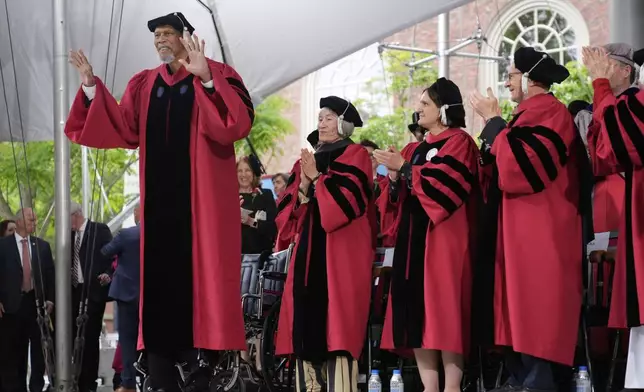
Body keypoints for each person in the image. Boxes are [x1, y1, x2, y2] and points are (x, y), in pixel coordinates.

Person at [66, 12, 253, 391]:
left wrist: (207, 80)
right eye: (157, 36)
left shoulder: (218, 74)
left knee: (201, 276)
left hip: (200, 210)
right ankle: (160, 361)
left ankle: (203, 357)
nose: (160, 41)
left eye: (167, 34)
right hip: (160, 212)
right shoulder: (145, 84)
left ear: (186, 37)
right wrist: (90, 89)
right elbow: (123, 127)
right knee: (162, 284)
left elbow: (235, 124)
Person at [469, 47, 588, 391]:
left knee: (538, 311)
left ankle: (536, 382)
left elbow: (521, 170)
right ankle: (521, 379)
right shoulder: (523, 116)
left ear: (531, 77)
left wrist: (494, 124)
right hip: (517, 231)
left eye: (511, 75)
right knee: (513, 312)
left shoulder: (551, 112)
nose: (506, 83)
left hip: (542, 231)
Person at [374, 78, 478, 392]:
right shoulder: (415, 149)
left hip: (443, 238)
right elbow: (395, 198)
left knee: (445, 311)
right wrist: (394, 178)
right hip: (412, 239)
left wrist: (404, 168)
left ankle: (452, 387)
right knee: (415, 313)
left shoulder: (459, 141)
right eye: (419, 103)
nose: (418, 109)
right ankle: (429, 386)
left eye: (426, 104)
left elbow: (448, 187)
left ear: (444, 109)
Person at [274, 96, 374, 391]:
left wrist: (317, 178)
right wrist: (304, 184)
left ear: (343, 124)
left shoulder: (355, 155)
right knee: (306, 328)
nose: (322, 123)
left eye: (329, 118)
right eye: (319, 118)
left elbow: (345, 207)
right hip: (308, 253)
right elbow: (287, 215)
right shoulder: (305, 160)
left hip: (341, 254)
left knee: (337, 332)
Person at [582, 46, 644, 391]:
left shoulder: (635, 102)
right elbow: (603, 153)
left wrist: (600, 85)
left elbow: (613, 150)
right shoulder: (623, 106)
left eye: (607, 66)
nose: (600, 70)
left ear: (625, 71)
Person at [0, 209, 55, 392]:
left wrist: (51, 300)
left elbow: (50, 276)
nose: (35, 221)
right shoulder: (3, 246)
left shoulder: (42, 246)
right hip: (11, 306)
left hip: (36, 305)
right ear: (19, 220)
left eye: (35, 218)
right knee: (14, 351)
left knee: (39, 350)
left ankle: (37, 387)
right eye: (30, 218)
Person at [69, 202, 113, 392]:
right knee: (71, 337)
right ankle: (75, 379)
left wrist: (106, 274)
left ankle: (88, 383)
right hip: (73, 292)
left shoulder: (99, 230)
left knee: (89, 338)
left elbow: (112, 257)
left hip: (93, 292)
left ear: (76, 214)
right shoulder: (69, 236)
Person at [102, 205, 141, 392]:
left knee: (127, 341)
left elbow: (106, 251)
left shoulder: (126, 235)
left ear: (137, 214)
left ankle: (129, 383)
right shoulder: (161, 236)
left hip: (126, 296)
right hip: (150, 296)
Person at [238, 155, 277, 254]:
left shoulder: (265, 195)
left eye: (247, 170)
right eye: (239, 171)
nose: (243, 174)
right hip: (235, 257)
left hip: (261, 257)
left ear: (254, 173)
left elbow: (273, 229)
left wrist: (250, 221)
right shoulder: (229, 198)